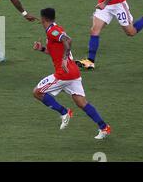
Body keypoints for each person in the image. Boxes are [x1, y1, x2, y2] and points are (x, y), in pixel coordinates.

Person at [33, 8, 110, 139]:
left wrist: (64, 58)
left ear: (43, 19)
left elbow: (68, 40)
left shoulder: (53, 31)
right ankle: (104, 127)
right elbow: (55, 51)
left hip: (64, 73)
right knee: (82, 103)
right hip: (73, 72)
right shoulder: (54, 30)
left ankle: (64, 112)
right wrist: (42, 49)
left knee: (37, 92)